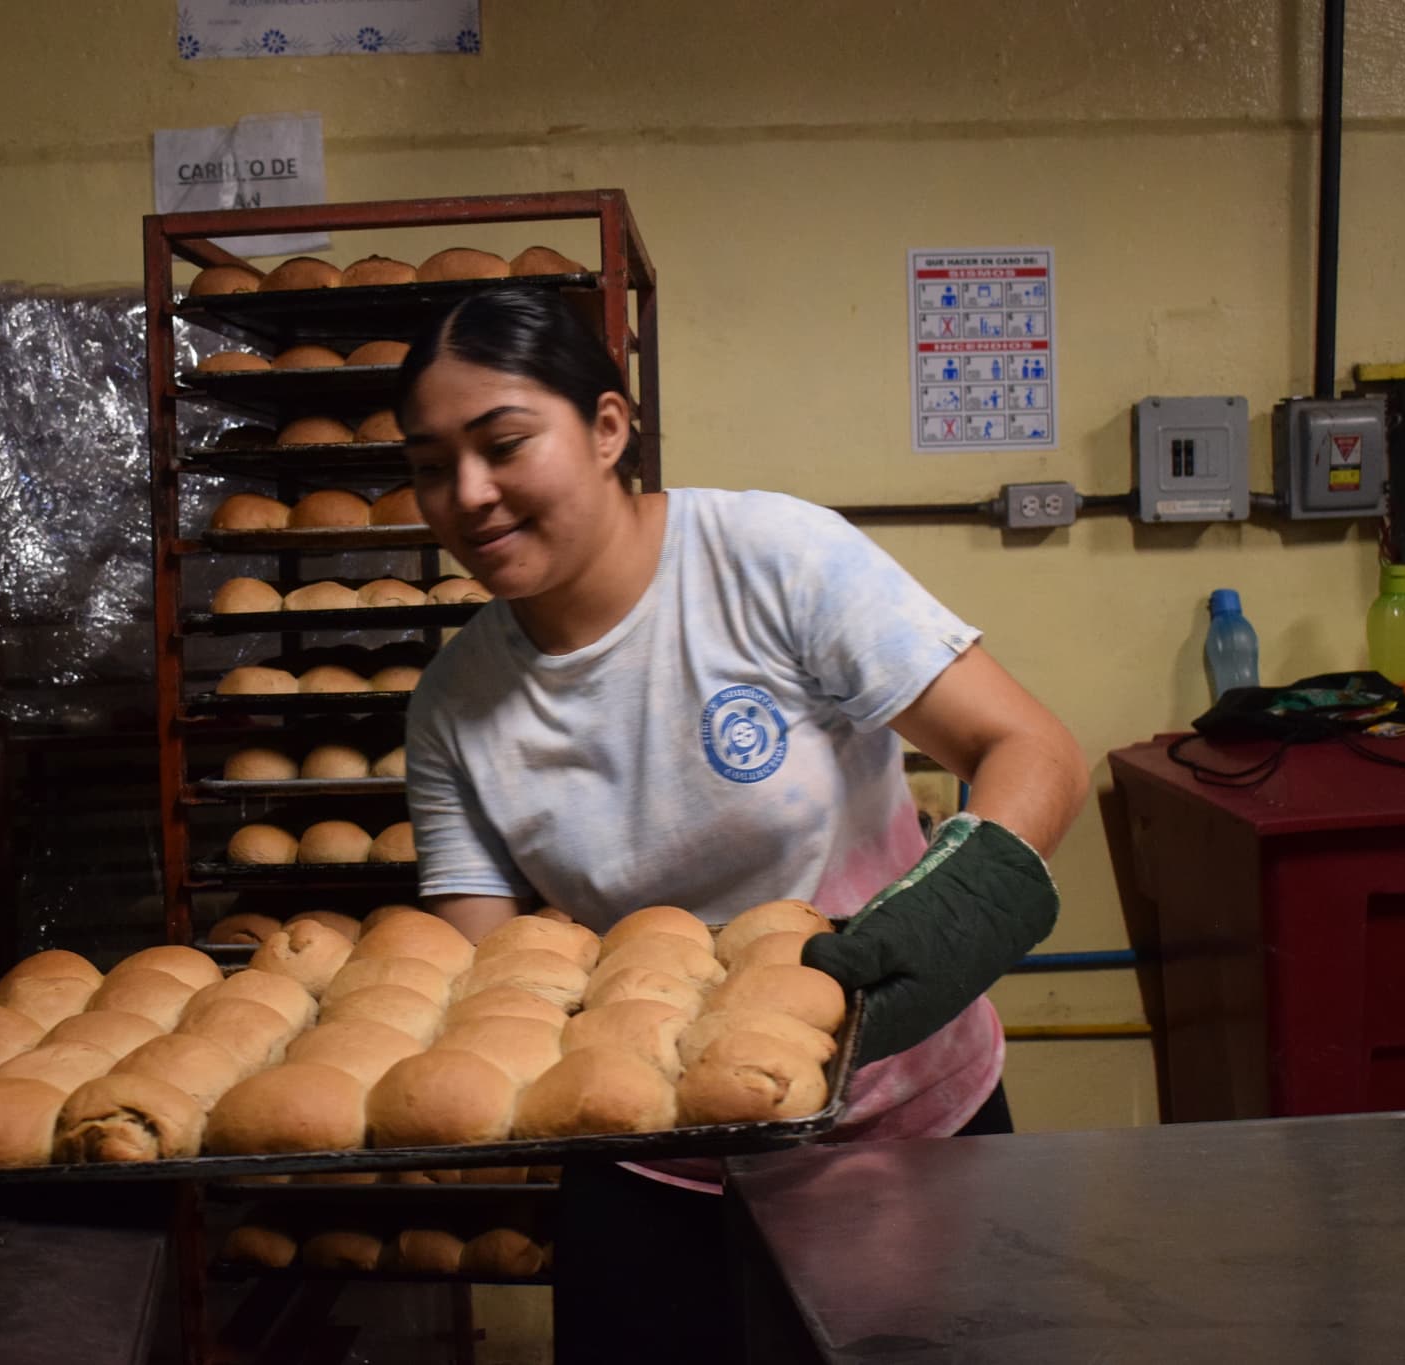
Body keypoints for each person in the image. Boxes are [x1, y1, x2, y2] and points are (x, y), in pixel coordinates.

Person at [393, 288, 1090, 1363]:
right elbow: (494, 976)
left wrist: (954, 917)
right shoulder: (452, 704)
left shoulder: (768, 558)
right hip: (652, 1158)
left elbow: (1028, 751)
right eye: (431, 465)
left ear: (609, 427)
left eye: (503, 444)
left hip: (904, 1125)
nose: (467, 495)